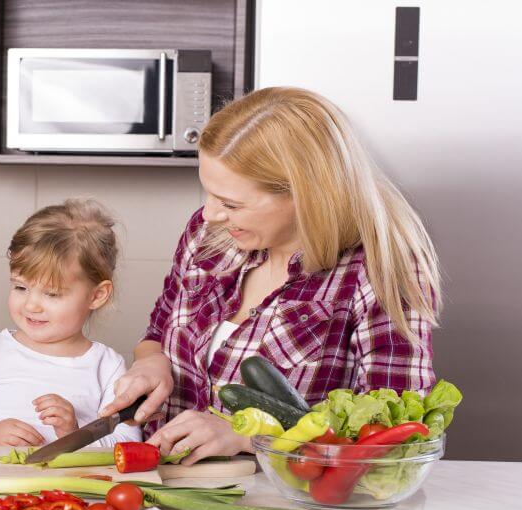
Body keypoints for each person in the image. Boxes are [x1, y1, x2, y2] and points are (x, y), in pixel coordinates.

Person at [100, 87, 441, 464]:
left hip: (285, 503)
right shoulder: (209, 234)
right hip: (168, 483)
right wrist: (152, 362)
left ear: (305, 194)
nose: (210, 213)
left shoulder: (379, 269)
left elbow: (395, 431)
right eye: (208, 193)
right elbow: (160, 329)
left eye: (231, 203)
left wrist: (247, 435)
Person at [0, 199, 142, 447]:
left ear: (96, 295)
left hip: (67, 487)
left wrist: (75, 435)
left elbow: (128, 445)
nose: (31, 305)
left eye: (51, 294)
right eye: (20, 287)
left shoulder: (107, 367)